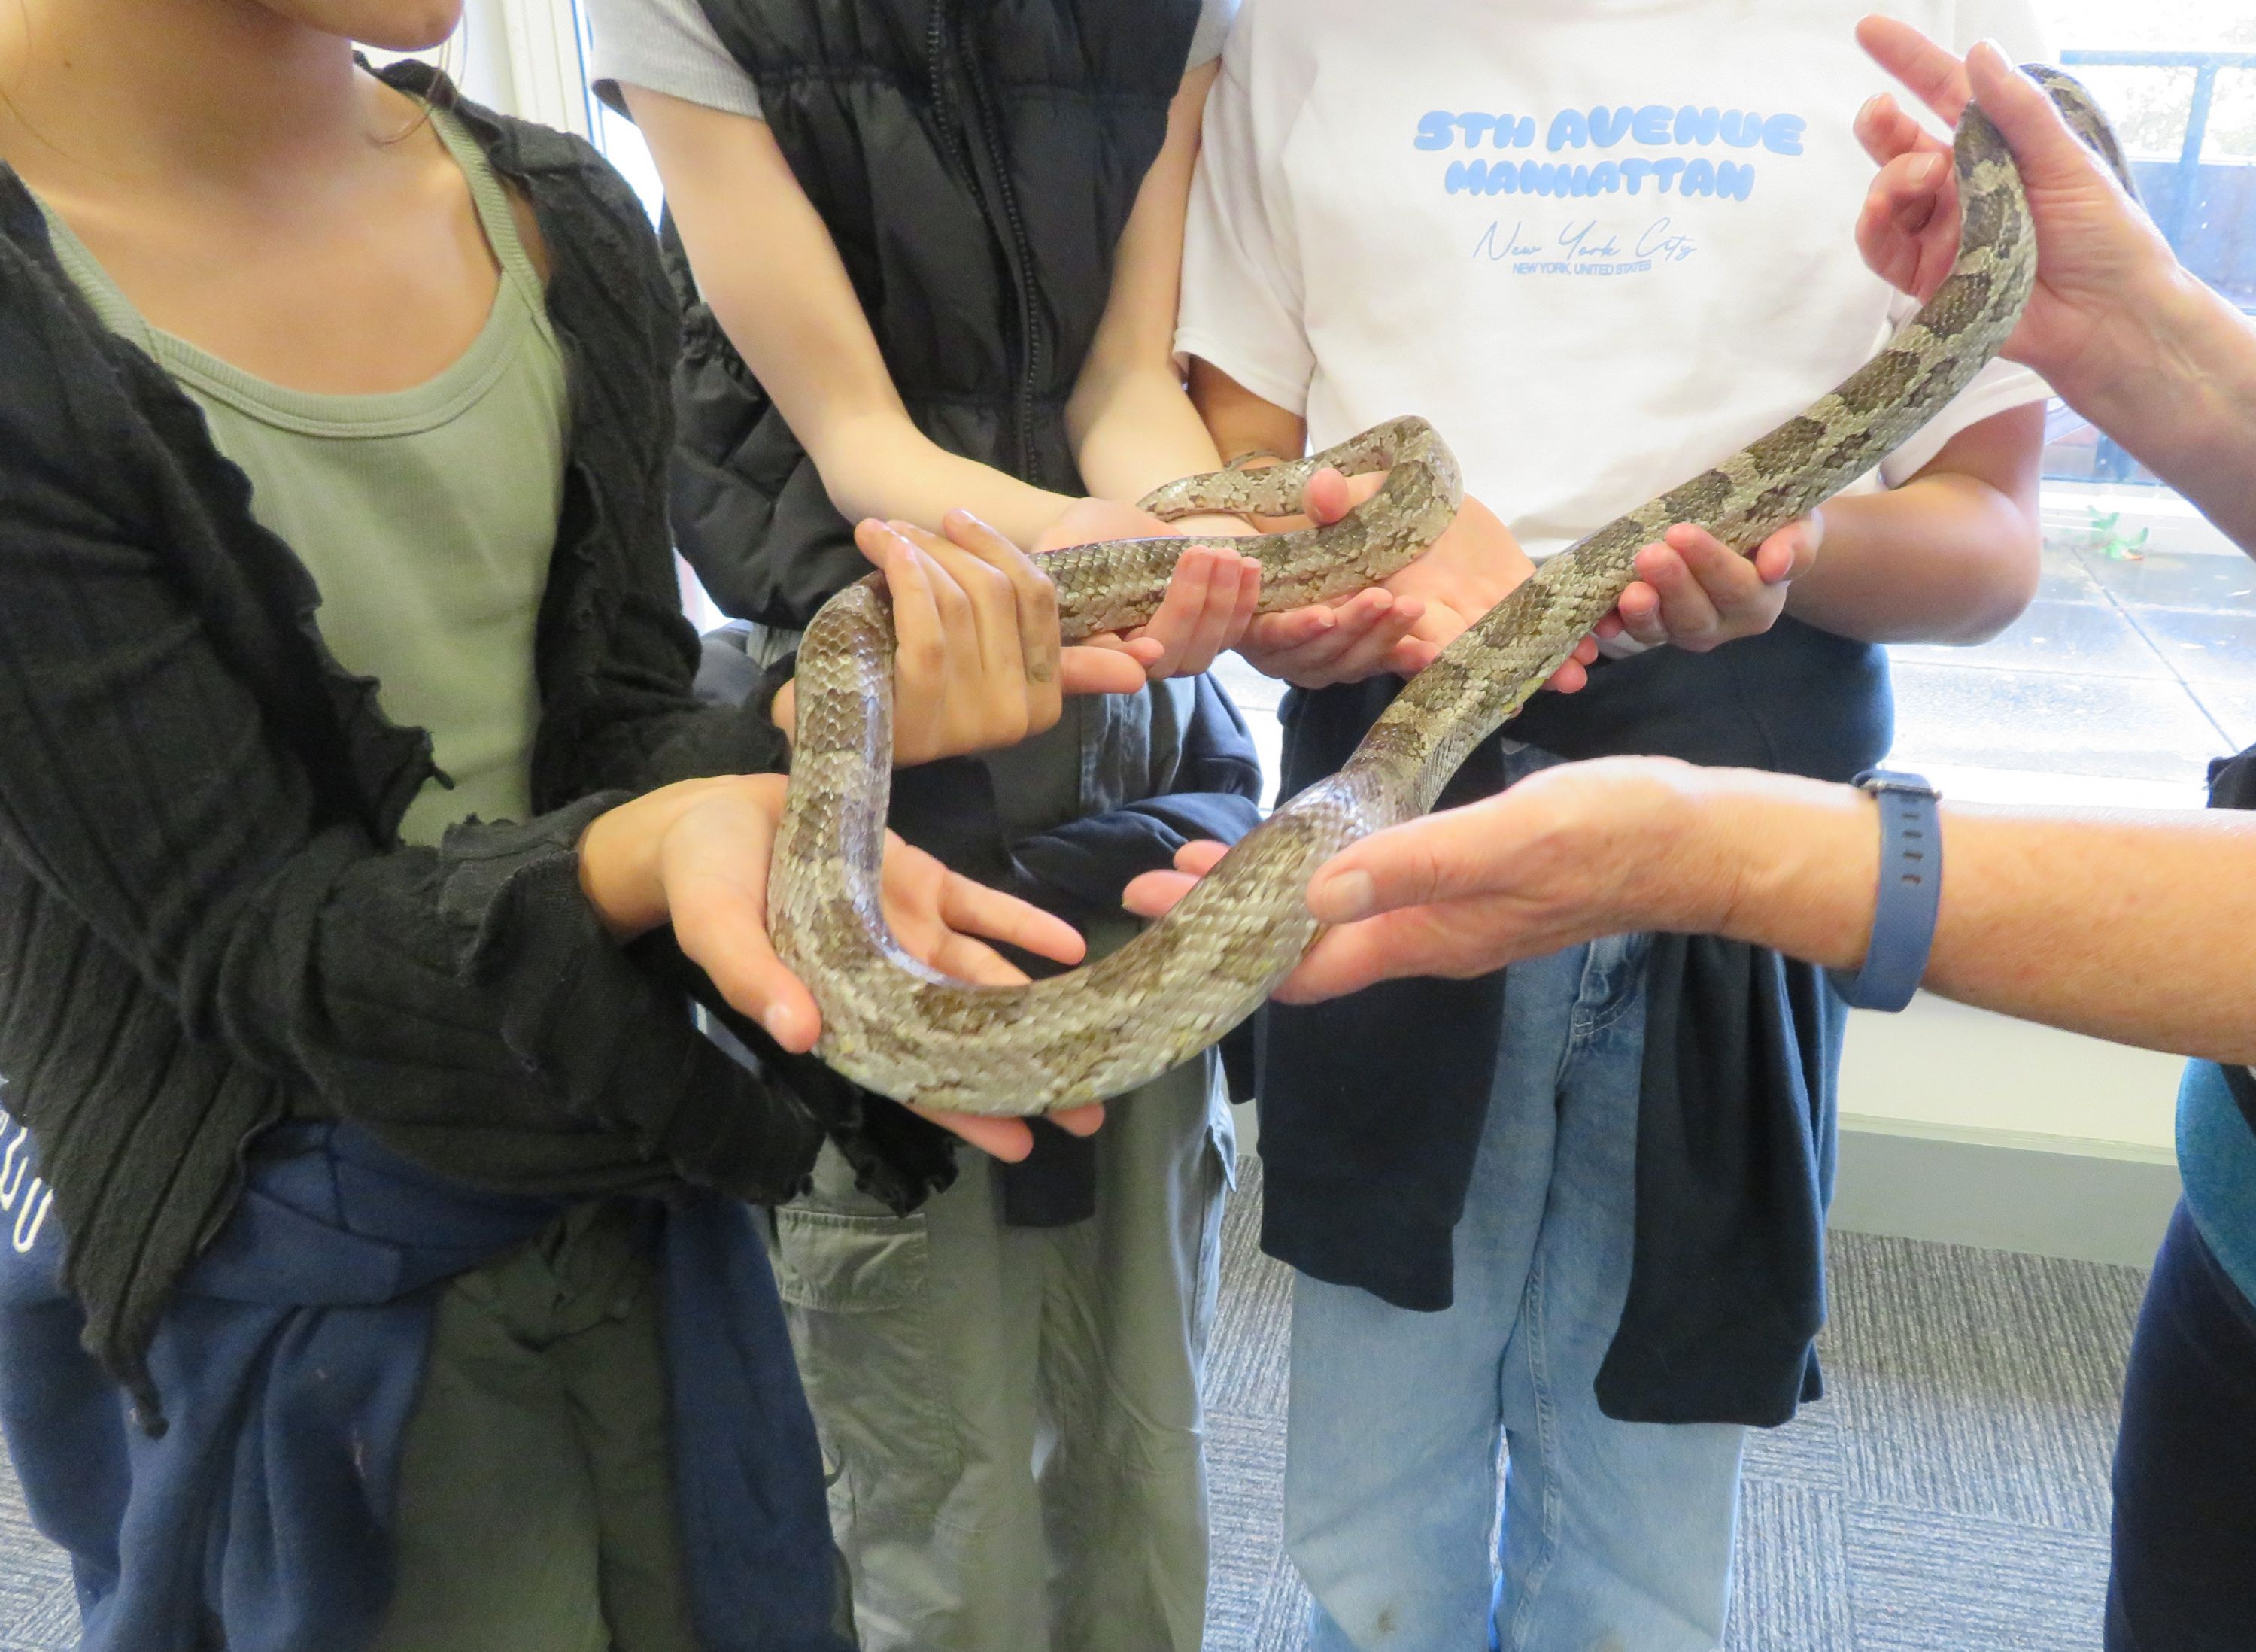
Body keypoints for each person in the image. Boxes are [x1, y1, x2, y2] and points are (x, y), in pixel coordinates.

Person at [0, 1, 1158, 1646]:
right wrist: (641, 853)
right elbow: (254, 939)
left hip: (611, 1149)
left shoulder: (552, 216)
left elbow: (609, 730)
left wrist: (819, 733)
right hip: (282, 1282)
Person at [1141, 23, 2256, 1652]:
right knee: (1370, 1514)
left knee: (1647, 1529)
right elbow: (1237, 474)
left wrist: (1796, 557)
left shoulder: (1923, 70)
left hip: (1755, 839)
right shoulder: (1304, 37)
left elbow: (1990, 539)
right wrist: (1294, 594)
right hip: (1389, 827)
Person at [575, 2, 1341, 1644]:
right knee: (930, 1403)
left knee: (1143, 1381)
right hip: (861, 696)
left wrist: (1179, 542)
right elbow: (861, 448)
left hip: (1133, 733)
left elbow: (1128, 381)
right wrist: (1124, 557)